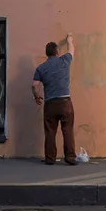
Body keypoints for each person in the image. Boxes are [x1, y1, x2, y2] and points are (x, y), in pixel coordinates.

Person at [32, 34, 77, 165]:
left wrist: (37, 96)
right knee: (67, 130)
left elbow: (34, 85)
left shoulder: (40, 68)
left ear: (47, 54)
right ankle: (70, 157)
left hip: (50, 103)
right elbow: (71, 50)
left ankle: (50, 158)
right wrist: (69, 40)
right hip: (65, 102)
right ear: (57, 52)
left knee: (50, 131)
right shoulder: (64, 60)